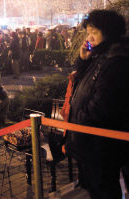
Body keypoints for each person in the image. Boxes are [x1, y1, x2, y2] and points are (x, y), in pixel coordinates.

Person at [64, 9, 129, 199]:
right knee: (94, 190)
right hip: (90, 143)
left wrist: (78, 128)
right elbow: (80, 85)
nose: (89, 37)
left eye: (94, 32)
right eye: (88, 32)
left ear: (108, 32)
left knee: (104, 191)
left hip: (100, 146)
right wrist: (83, 60)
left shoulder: (117, 62)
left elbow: (101, 108)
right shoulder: (101, 56)